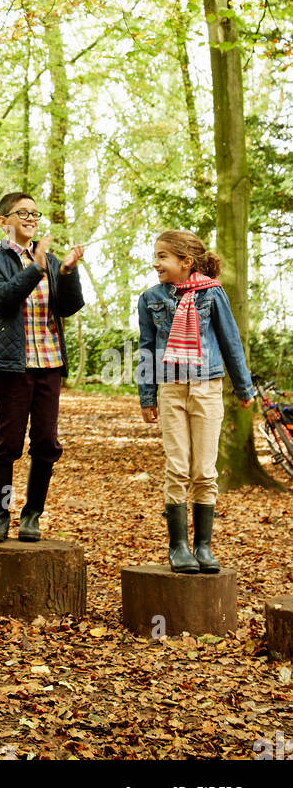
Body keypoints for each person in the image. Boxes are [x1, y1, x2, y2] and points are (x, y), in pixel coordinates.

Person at [137, 229, 254, 573]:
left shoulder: (212, 295)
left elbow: (231, 342)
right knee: (177, 468)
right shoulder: (150, 298)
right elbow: (145, 348)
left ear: (185, 261)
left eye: (162, 256)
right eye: (155, 255)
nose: (155, 262)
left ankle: (203, 547)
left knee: (204, 471)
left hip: (207, 388)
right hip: (171, 390)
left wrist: (244, 390)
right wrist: (147, 396)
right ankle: (178, 548)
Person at [0, 191, 85, 544]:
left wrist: (67, 271)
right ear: (4, 221)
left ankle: (32, 516)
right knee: (7, 443)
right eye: (22, 212)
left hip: (50, 362)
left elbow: (68, 308)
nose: (30, 218)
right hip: (12, 365)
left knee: (45, 442)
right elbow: (2, 298)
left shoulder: (50, 260)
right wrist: (35, 269)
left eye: (34, 213)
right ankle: (1, 514)